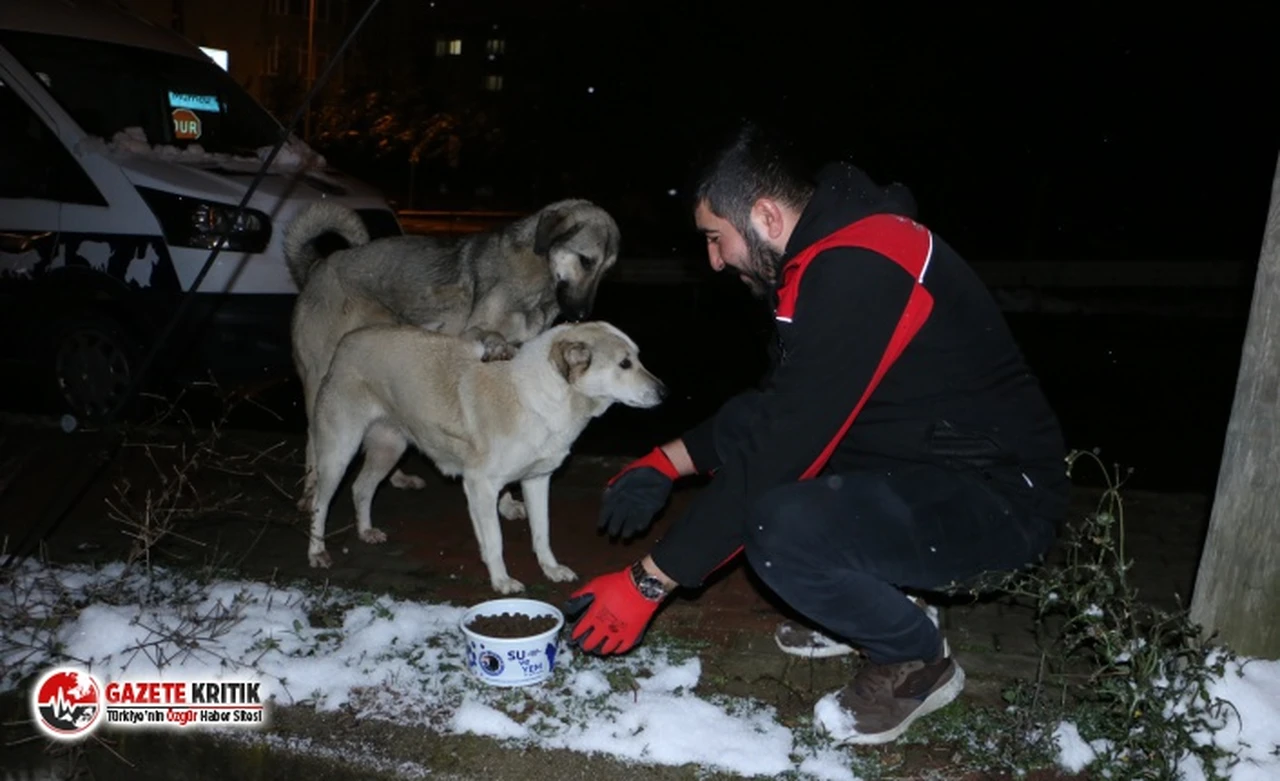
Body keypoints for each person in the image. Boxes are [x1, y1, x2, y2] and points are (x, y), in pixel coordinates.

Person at [562, 121, 1071, 746]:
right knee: (785, 467)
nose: (714, 261)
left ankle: (915, 657)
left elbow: (781, 447)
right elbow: (775, 408)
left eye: (716, 239)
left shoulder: (861, 269)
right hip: (932, 469)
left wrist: (648, 581)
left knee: (780, 529)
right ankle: (880, 598)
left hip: (1002, 504)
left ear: (766, 216)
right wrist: (665, 462)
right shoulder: (829, 256)